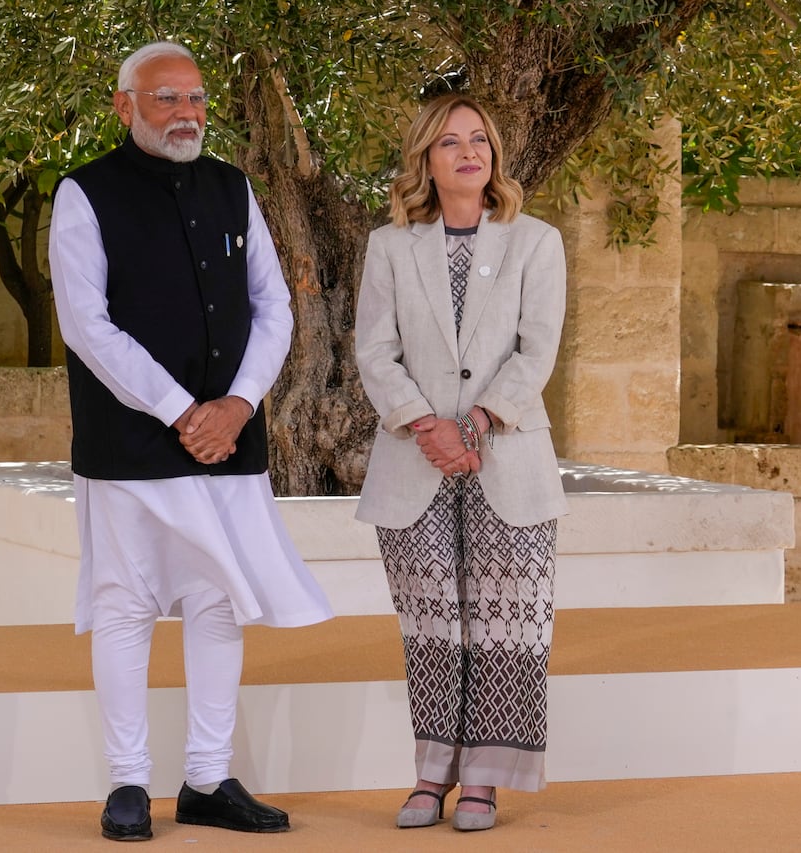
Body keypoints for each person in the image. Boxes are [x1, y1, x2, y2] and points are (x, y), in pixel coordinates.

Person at [48, 41, 334, 842]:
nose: (186, 113)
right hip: (131, 444)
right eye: (166, 98)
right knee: (125, 603)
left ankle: (208, 776)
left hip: (230, 438)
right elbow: (87, 325)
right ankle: (128, 783)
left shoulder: (231, 187)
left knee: (218, 602)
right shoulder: (84, 194)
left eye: (196, 98)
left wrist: (238, 404)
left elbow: (274, 307)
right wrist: (183, 411)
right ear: (124, 105)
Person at [354, 93, 568, 832]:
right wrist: (427, 426)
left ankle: (484, 778)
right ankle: (431, 772)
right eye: (450, 142)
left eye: (479, 139)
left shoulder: (536, 241)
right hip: (414, 463)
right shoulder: (390, 246)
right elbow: (375, 351)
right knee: (431, 625)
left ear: (494, 155)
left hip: (509, 459)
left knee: (509, 627)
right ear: (426, 158)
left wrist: (473, 424)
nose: (469, 152)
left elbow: (538, 350)